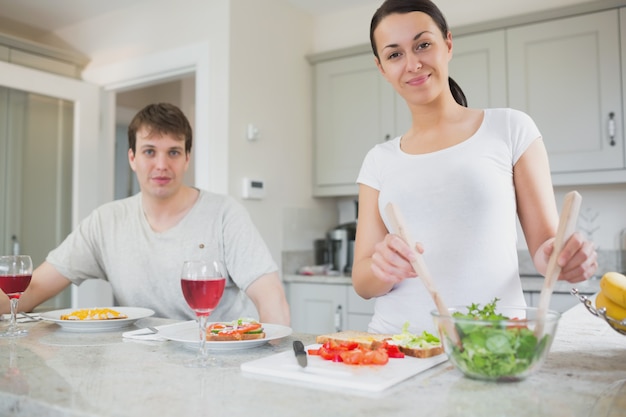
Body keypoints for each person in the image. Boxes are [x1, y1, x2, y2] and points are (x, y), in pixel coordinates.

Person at [352, 0, 598, 334]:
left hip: (493, 341)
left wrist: (564, 259)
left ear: (448, 44)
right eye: (395, 54)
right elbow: (363, 283)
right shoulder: (378, 160)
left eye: (423, 44)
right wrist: (382, 268)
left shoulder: (511, 128)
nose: (413, 63)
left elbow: (545, 251)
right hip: (397, 344)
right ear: (381, 68)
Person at [1, 103, 290, 325]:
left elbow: (270, 296)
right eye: (150, 151)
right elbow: (34, 286)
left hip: (219, 359)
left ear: (187, 158)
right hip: (141, 365)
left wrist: (271, 363)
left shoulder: (226, 214)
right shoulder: (106, 222)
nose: (161, 164)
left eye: (174, 152)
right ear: (132, 158)